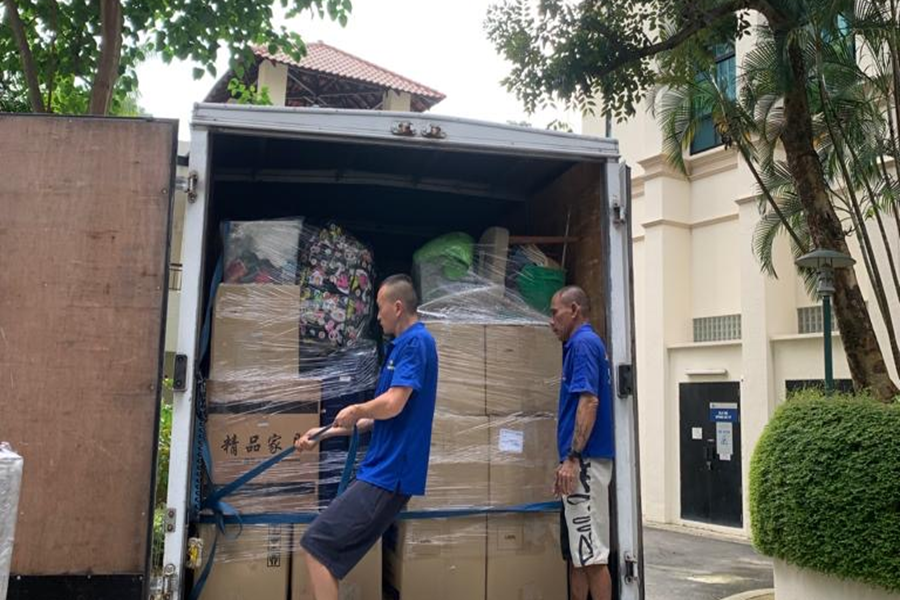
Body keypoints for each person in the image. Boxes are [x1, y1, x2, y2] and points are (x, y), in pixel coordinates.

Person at [293, 274, 438, 600]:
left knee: (316, 545)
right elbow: (377, 418)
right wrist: (323, 433)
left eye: (379, 307)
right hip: (381, 471)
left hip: (390, 475)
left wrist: (358, 408)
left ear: (397, 307)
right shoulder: (400, 347)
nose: (376, 315)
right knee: (321, 549)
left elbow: (393, 404)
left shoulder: (415, 343)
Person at [549, 285, 615, 600]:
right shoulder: (579, 344)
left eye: (554, 312)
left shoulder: (584, 344)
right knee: (579, 554)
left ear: (574, 310)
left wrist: (573, 458)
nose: (551, 321)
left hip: (584, 465)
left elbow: (589, 401)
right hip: (579, 464)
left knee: (592, 557)